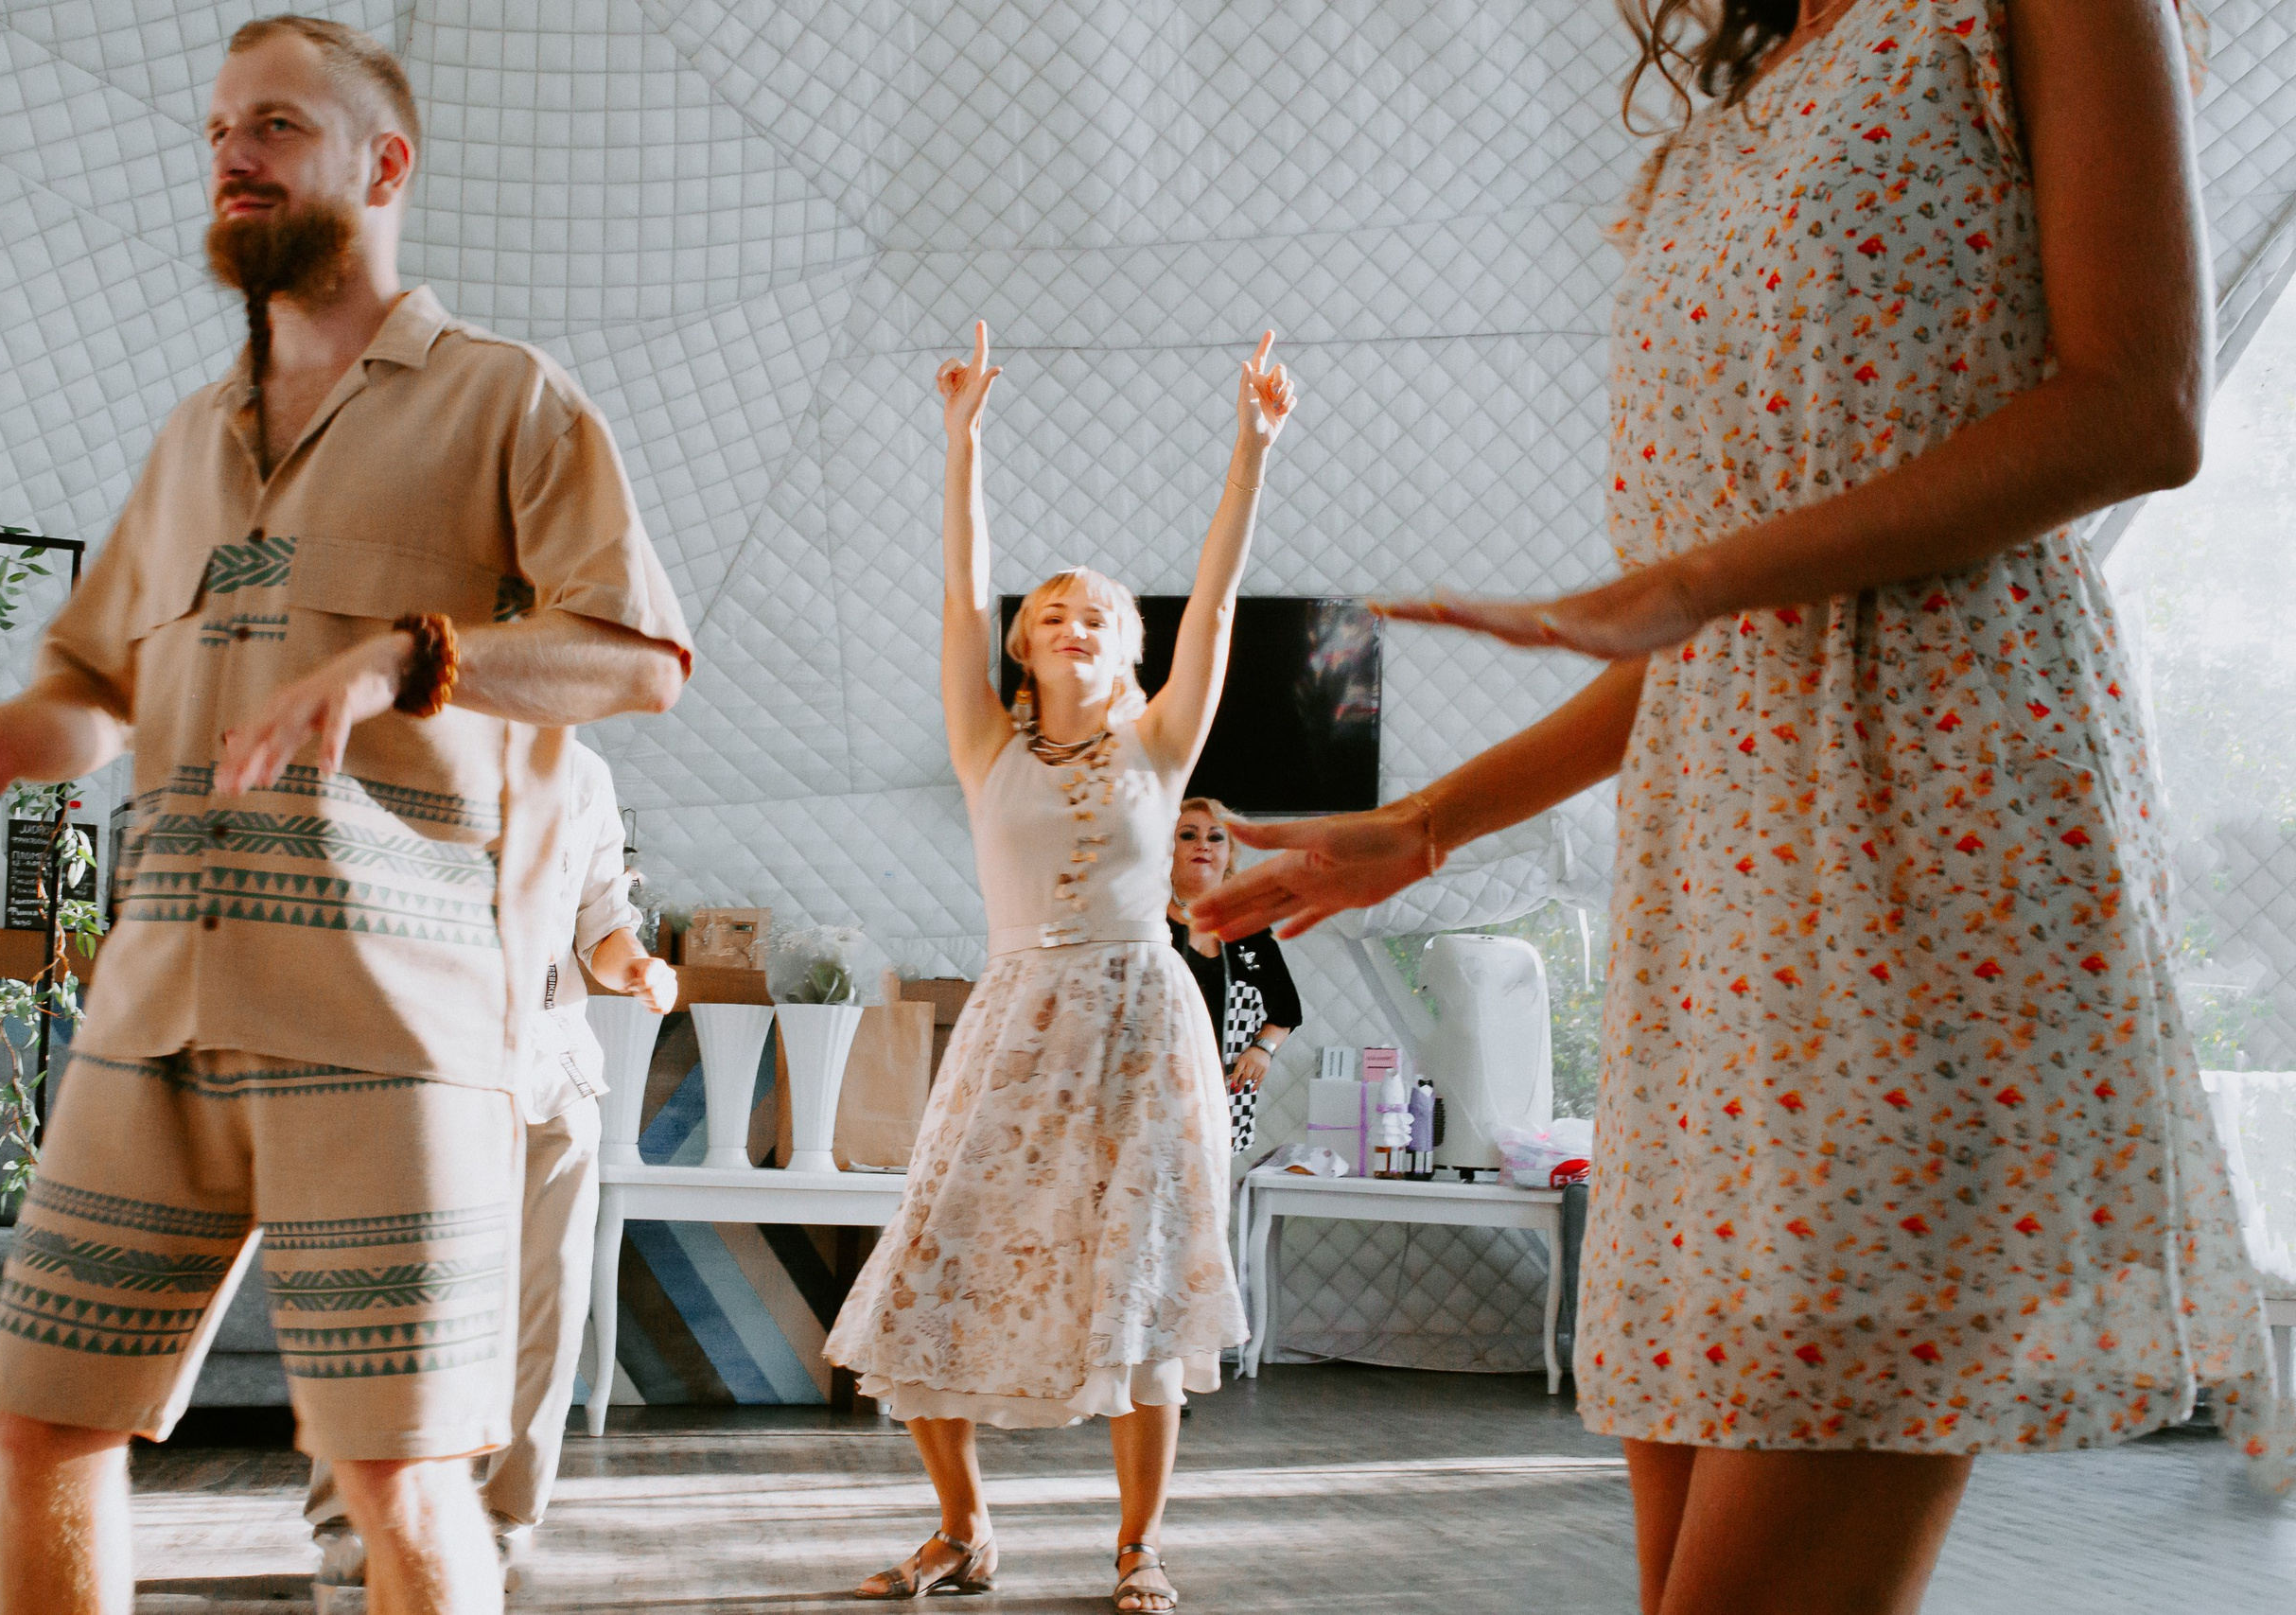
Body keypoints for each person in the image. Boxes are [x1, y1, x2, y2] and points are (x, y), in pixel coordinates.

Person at [1191, 3, 2290, 1612]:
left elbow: (2143, 401)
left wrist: (1696, 578)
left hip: (1925, 854)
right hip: (1723, 923)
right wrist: (1423, 824)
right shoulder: (1766, 78)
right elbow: (1718, 634)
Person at [0, 17, 692, 1615]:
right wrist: (6, 731)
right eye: (216, 131)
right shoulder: (192, 439)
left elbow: (638, 658)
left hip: (386, 1023)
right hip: (153, 1013)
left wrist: (408, 656)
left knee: (397, 1476)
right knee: (44, 1421)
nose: (232, 156)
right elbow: (99, 688)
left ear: (384, 165)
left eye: (275, 127)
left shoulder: (508, 401)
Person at [824, 323, 1294, 1612]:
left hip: (1140, 1021)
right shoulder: (987, 746)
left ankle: (1140, 1546)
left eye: (1096, 615)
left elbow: (1216, 599)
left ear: (1129, 650)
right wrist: (960, 440)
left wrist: (1252, 450)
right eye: (1048, 613)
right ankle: (962, 1530)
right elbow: (957, 589)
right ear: (1021, 646)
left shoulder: (1161, 743)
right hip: (1016, 1015)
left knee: (1136, 1280)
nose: (1070, 623)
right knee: (933, 1262)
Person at [303, 742, 679, 1606]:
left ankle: (506, 1511)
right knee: (380, 1293)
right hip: (414, 1056)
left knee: (549, 1299)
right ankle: (347, 1516)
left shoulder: (586, 772)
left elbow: (600, 927)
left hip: (550, 1066)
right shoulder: (401, 740)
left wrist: (638, 968)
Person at [1166, 799, 1301, 1156]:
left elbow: (1286, 1009)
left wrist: (1263, 1049)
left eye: (1216, 837)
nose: (1203, 845)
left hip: (1222, 1095)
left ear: (1229, 855)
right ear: (1168, 848)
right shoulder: (1145, 918)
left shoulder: (1248, 925)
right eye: (1188, 835)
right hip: (1153, 1093)